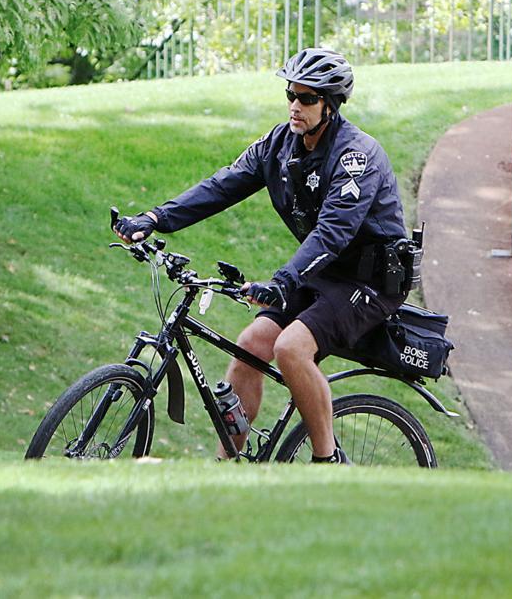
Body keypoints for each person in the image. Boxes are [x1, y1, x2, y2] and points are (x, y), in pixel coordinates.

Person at [113, 47, 410, 464]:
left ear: (330, 105)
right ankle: (226, 468)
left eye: (307, 98)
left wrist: (283, 282)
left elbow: (333, 232)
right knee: (251, 344)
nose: (295, 105)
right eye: (291, 94)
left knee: (290, 348)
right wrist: (155, 218)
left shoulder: (356, 157)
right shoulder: (280, 145)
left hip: (370, 281)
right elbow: (222, 185)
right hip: (322, 272)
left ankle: (327, 461)